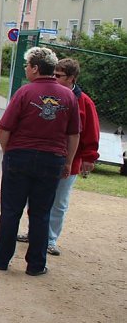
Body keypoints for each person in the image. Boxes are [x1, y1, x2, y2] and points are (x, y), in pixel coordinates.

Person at [0, 47, 80, 277]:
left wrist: (7, 152)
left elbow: (5, 127)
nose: (26, 69)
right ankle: (36, 265)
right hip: (52, 159)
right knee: (41, 213)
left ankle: (2, 259)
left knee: (11, 210)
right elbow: (73, 134)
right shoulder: (68, 96)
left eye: (27, 65)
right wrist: (68, 161)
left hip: (20, 155)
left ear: (36, 68)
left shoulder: (24, 93)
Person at [17, 58, 100, 255]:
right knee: (36, 198)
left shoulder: (84, 102)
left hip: (69, 159)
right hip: (45, 156)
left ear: (71, 78)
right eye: (53, 74)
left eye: (59, 76)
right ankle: (35, 233)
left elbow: (90, 131)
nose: (54, 78)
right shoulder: (45, 94)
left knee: (59, 201)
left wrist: (89, 156)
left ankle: (50, 239)